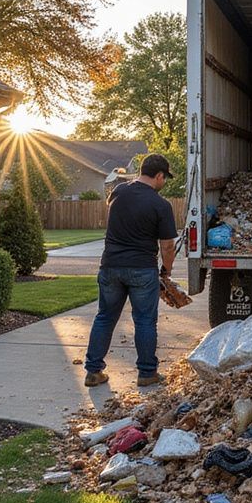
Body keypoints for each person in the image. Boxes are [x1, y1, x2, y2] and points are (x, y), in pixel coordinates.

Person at [83, 154, 178, 388]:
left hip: (111, 266)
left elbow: (114, 206)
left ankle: (93, 372)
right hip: (142, 270)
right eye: (164, 178)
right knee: (145, 321)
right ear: (158, 175)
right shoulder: (161, 205)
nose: (164, 183)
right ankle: (146, 373)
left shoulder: (118, 192)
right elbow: (167, 245)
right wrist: (166, 270)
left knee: (104, 317)